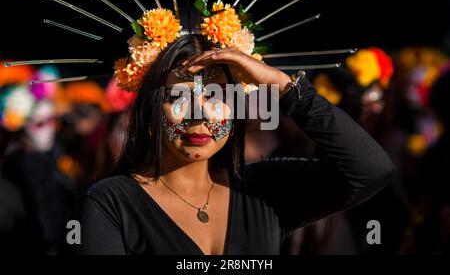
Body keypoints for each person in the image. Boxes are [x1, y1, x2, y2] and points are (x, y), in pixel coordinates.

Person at [73, 34, 395, 255]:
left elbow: (371, 170)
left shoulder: (263, 190)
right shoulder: (112, 203)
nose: (198, 117)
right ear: (150, 111)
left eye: (216, 97)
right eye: (179, 98)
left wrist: (286, 89)